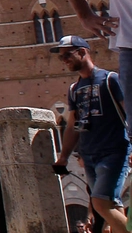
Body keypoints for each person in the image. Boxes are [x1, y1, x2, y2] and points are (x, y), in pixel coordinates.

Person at [52, 35, 130, 230]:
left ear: (82, 52)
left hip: (114, 151)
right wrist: (63, 157)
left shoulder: (110, 79)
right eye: (61, 58)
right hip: (89, 155)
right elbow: (72, 125)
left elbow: (129, 112)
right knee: (112, 204)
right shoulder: (74, 89)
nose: (64, 60)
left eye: (67, 55)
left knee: (100, 203)